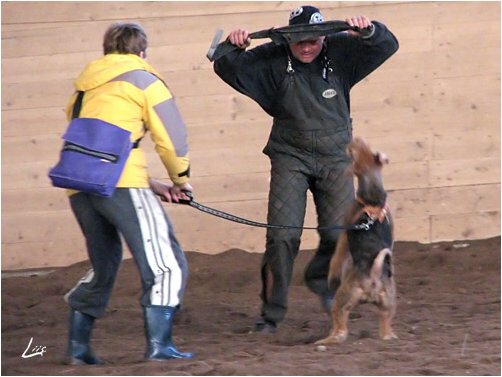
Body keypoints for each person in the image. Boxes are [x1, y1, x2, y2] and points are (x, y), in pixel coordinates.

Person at [213, 5, 399, 333]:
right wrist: (233, 44)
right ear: (289, 40)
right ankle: (271, 314)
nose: (307, 46)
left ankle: (321, 280)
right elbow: (226, 65)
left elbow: (387, 44)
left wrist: (367, 30)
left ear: (324, 38)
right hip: (289, 157)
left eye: (313, 40)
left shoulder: (344, 50)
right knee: (282, 237)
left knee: (339, 232)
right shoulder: (271, 57)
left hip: (336, 160)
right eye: (300, 41)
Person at [63, 22, 194, 364]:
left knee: (104, 264)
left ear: (106, 50)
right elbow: (171, 138)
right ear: (142, 52)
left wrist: (152, 185)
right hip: (121, 184)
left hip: (79, 184)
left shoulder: (84, 88)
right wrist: (181, 181)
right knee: (167, 264)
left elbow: (99, 145)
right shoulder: (145, 80)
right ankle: (160, 347)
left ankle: (78, 349)